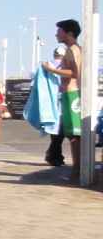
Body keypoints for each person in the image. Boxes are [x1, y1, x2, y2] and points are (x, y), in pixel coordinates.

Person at [42, 20, 83, 181]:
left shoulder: (73, 50)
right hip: (68, 93)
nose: (56, 35)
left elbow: (75, 73)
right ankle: (77, 171)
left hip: (73, 94)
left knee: (74, 135)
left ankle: (77, 172)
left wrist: (52, 70)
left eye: (59, 32)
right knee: (72, 135)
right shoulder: (70, 50)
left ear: (69, 33)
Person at [44, 45, 67, 167]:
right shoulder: (65, 66)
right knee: (63, 133)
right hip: (64, 103)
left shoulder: (45, 66)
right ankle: (54, 156)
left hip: (49, 105)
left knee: (55, 133)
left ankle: (54, 155)